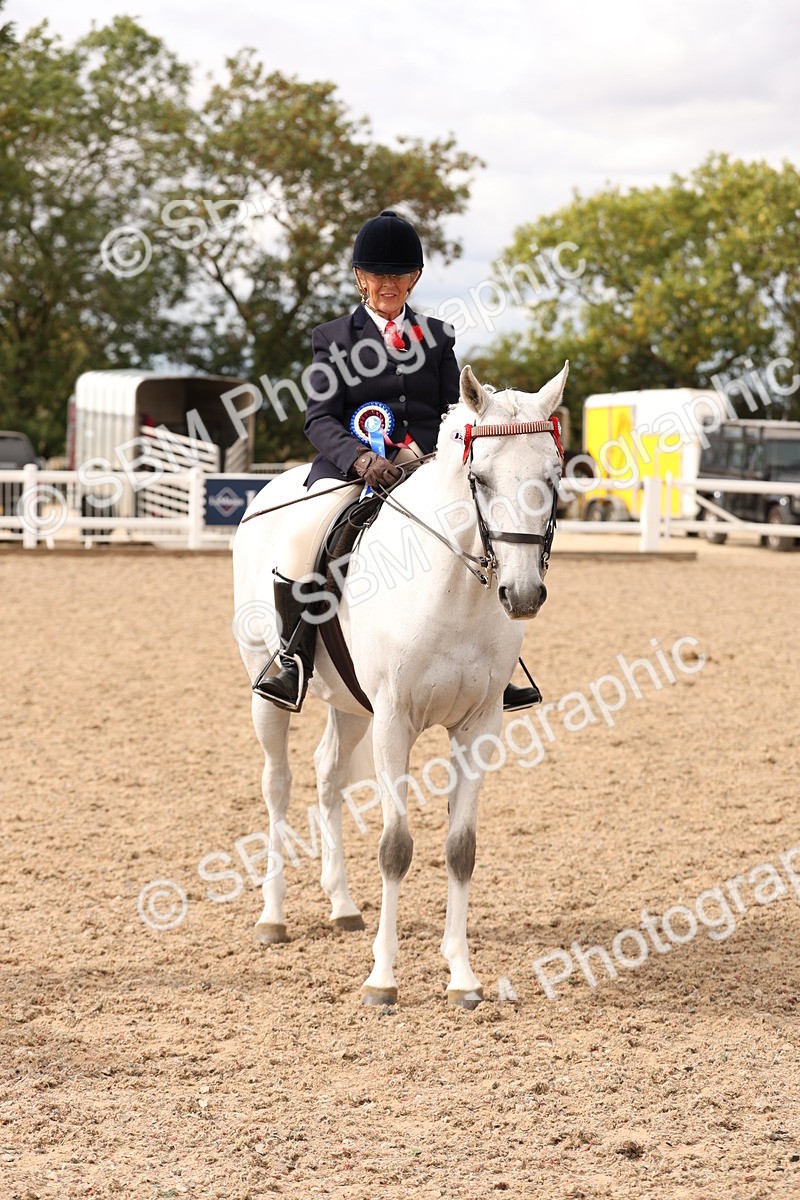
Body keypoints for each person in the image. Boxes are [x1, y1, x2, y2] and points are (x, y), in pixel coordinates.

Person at [253, 209, 541, 714]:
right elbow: (318, 420)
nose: (390, 284)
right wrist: (363, 460)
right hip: (354, 471)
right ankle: (293, 657)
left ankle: (500, 664)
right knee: (303, 541)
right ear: (361, 277)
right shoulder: (333, 339)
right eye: (379, 274)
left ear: (415, 278)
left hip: (428, 468)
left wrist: (426, 455)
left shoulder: (438, 336)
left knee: (486, 535)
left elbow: (455, 411)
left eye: (400, 274)